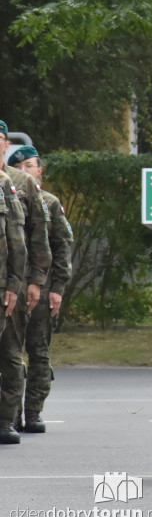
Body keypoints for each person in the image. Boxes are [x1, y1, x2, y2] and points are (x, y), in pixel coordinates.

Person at [8, 146, 73, 434]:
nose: (26, 171)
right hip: (12, 286)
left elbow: (61, 248)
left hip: (42, 288)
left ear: (39, 170)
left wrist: (56, 287)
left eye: (30, 166)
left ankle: (33, 411)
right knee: (10, 354)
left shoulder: (49, 203)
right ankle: (11, 414)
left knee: (38, 352)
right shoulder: (9, 200)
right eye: (20, 166)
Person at [0, 122, 51, 445]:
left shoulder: (15, 183)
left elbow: (31, 237)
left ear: (5, 145)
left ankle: (7, 420)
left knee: (11, 353)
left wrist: (33, 281)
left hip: (8, 284)